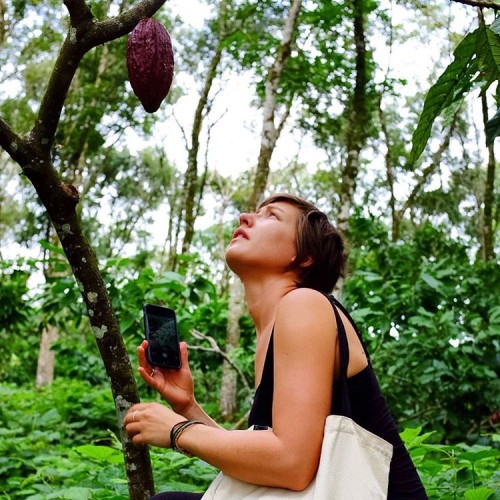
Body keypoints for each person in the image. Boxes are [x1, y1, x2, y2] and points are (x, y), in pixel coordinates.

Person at [124, 193, 427, 499]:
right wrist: (187, 407)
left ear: (304, 256)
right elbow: (269, 460)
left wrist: (179, 431)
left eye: (271, 216)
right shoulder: (272, 332)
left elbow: (291, 464)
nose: (245, 217)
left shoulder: (304, 304)